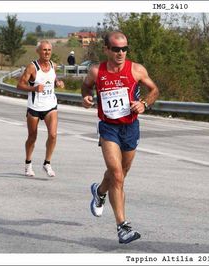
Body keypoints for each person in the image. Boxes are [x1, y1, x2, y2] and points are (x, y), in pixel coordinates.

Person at [81, 31, 159, 244]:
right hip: (108, 128)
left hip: (130, 127)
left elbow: (154, 90)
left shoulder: (136, 69)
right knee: (116, 175)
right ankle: (122, 227)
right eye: (116, 49)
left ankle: (99, 191)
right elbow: (86, 86)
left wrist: (144, 103)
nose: (121, 53)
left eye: (124, 48)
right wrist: (86, 97)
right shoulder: (97, 71)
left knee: (121, 174)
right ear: (106, 49)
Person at [17, 40, 64, 177]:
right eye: (44, 50)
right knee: (32, 137)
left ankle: (47, 163)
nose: (47, 52)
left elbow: (53, 78)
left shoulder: (53, 65)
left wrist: (58, 82)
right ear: (38, 51)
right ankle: (28, 164)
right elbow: (19, 85)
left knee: (53, 135)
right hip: (35, 107)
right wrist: (34, 88)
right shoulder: (32, 67)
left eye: (49, 50)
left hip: (50, 106)